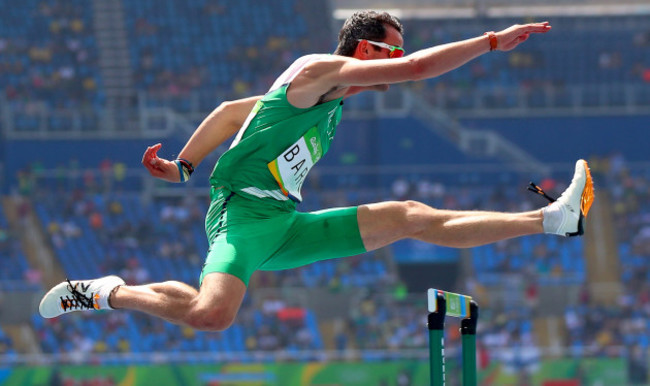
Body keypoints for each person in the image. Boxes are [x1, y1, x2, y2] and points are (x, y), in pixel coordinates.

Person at [40, 11, 594, 331]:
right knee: (213, 316)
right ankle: (107, 292)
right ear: (362, 48)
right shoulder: (312, 72)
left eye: (401, 51)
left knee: (410, 216)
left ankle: (549, 218)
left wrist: (184, 165)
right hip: (242, 216)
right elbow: (420, 69)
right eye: (390, 50)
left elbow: (236, 112)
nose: (399, 60)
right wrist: (493, 41)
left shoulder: (328, 102)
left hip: (285, 220)